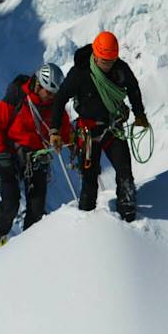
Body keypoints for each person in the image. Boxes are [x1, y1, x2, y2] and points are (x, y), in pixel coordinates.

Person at [49, 31, 148, 222]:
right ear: (95, 55)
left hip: (113, 128)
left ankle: (129, 216)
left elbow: (133, 88)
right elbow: (60, 98)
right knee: (89, 179)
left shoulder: (120, 69)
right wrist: (55, 130)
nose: (108, 65)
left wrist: (140, 113)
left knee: (125, 172)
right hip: (88, 132)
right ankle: (88, 220)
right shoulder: (80, 73)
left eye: (111, 61)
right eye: (104, 61)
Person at [0, 63, 72, 249]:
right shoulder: (17, 97)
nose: (51, 97)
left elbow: (66, 133)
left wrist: (77, 139)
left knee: (36, 209)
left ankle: (27, 249)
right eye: (48, 92)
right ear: (38, 85)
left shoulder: (55, 106)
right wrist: (1, 152)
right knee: (10, 203)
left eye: (55, 94)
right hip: (9, 155)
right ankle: (1, 234)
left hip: (36, 158)